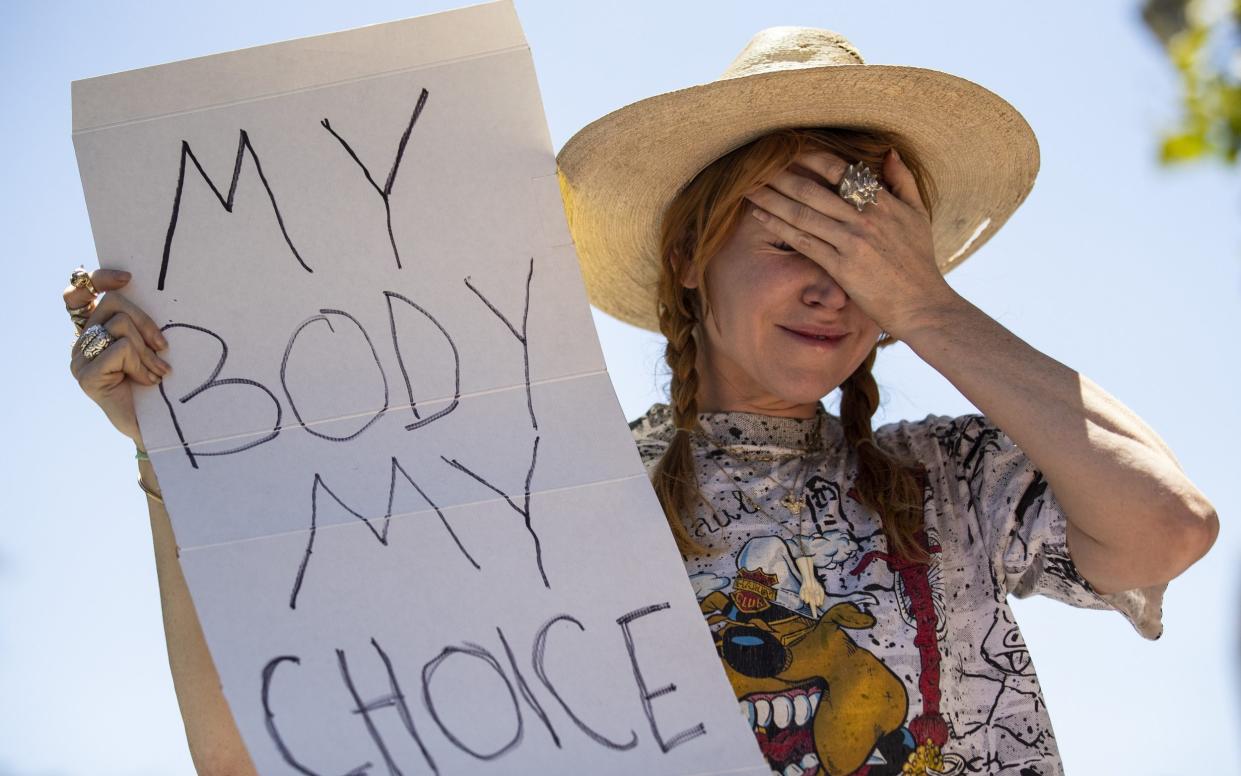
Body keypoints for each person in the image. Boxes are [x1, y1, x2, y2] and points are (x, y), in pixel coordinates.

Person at [65, 24, 1216, 776]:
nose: (834, 282)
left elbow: (1168, 525)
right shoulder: (559, 502)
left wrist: (925, 305)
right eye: (787, 234)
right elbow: (250, 757)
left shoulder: (952, 477)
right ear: (687, 255)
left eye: (867, 243)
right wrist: (171, 452)